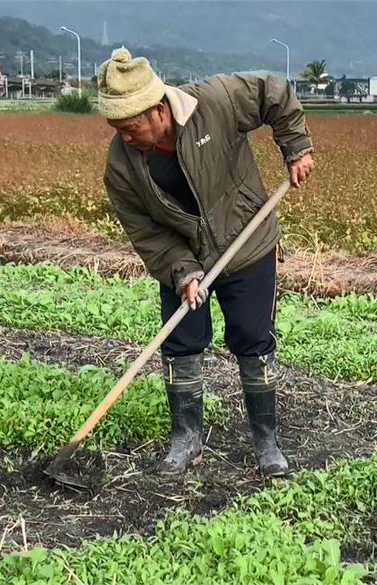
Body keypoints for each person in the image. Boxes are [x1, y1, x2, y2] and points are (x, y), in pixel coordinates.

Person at [96, 47, 315, 476]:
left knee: (253, 340)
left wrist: (296, 148)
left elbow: (275, 91)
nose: (124, 137)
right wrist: (182, 271)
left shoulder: (213, 103)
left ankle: (266, 442)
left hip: (246, 243)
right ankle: (186, 439)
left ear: (158, 109)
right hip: (184, 255)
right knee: (180, 344)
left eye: (131, 126)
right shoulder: (120, 165)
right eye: (116, 128)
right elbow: (145, 230)